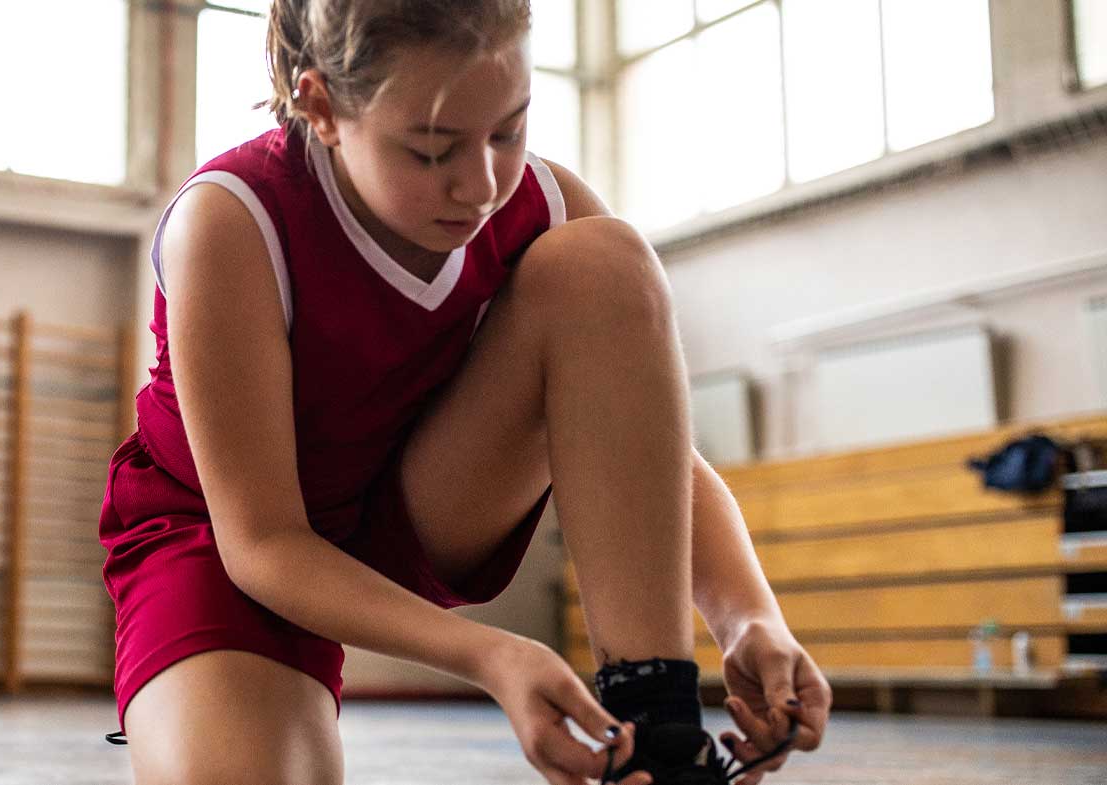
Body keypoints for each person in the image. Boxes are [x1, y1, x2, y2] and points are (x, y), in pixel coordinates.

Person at [99, 1, 832, 783]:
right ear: (322, 108)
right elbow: (266, 543)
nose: (482, 184)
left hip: (416, 494)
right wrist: (493, 653)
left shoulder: (543, 206)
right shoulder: (231, 222)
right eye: (432, 149)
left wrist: (747, 614)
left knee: (604, 259)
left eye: (508, 131)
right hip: (228, 539)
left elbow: (653, 459)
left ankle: (657, 736)